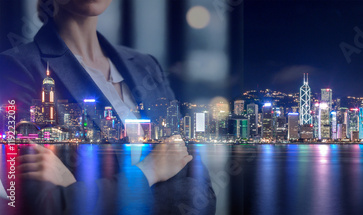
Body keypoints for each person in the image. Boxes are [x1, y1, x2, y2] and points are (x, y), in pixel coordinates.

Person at [0, 0, 216, 214]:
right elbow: (43, 206)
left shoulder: (147, 66)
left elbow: (203, 197)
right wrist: (149, 171)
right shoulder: (16, 68)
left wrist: (78, 190)